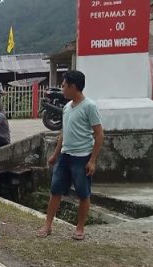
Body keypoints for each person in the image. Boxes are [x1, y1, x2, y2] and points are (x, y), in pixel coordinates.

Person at [36, 71, 104, 241]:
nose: (62, 89)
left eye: (64, 85)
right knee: (55, 190)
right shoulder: (66, 107)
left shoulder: (89, 106)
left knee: (83, 193)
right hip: (65, 156)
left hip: (82, 158)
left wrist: (92, 160)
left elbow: (99, 135)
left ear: (73, 86)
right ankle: (48, 224)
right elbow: (63, 133)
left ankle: (80, 227)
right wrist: (55, 154)